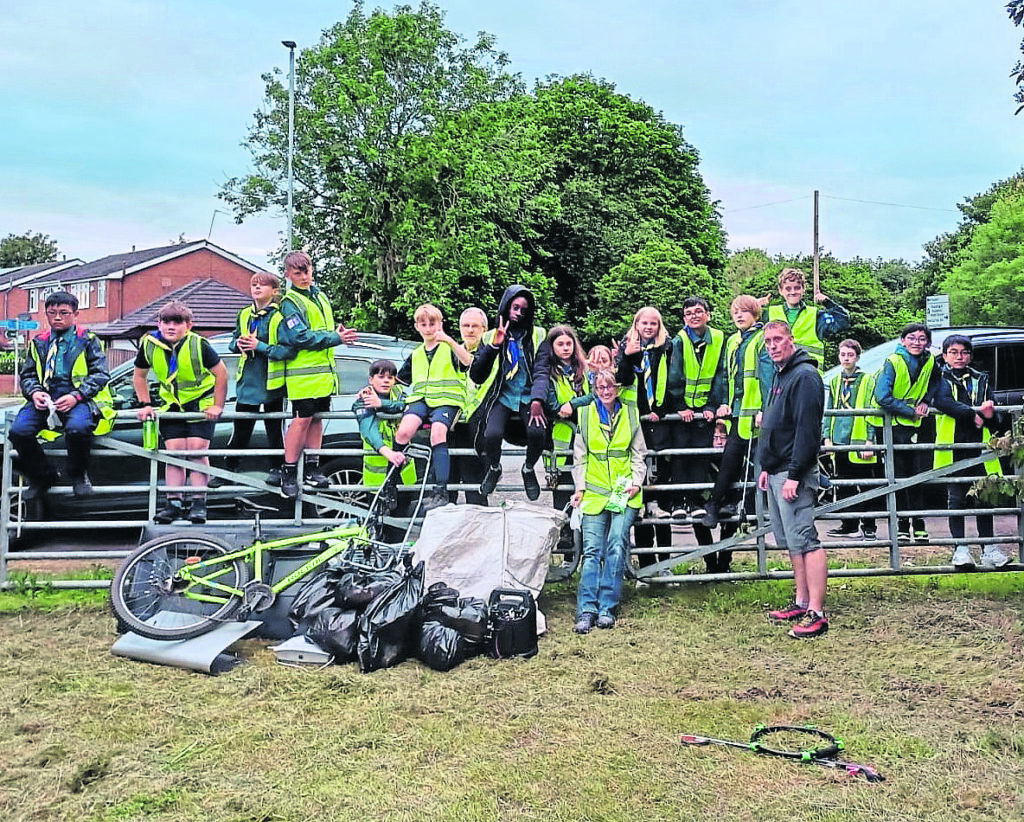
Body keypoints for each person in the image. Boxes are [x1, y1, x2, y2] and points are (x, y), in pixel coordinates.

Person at [758, 321, 828, 639]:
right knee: (792, 543)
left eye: (778, 339)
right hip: (777, 469)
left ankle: (817, 611)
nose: (773, 345)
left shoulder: (805, 376)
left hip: (792, 472)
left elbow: (807, 430)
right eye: (768, 341)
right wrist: (766, 466)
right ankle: (801, 601)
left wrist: (795, 475)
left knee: (806, 540)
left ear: (791, 340)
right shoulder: (782, 373)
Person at [8, 290, 114, 498]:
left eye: (64, 313)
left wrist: (77, 395)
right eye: (52, 313)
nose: (57, 317)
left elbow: (101, 374)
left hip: (79, 398)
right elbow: (28, 374)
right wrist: (35, 392)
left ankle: (78, 475)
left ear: (75, 314)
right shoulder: (38, 342)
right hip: (45, 397)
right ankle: (42, 476)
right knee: (19, 431)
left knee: (78, 429)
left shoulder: (88, 340)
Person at [134, 301, 228, 524]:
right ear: (159, 324)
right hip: (172, 405)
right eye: (166, 322)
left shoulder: (199, 345)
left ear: (189, 325)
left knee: (196, 450)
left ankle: (198, 502)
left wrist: (218, 405)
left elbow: (221, 374)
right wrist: (145, 404)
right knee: (174, 452)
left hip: (199, 403)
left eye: (177, 322)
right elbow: (139, 376)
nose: (170, 327)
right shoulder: (149, 344)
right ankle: (173, 503)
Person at [276, 251, 358, 499]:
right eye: (298, 272)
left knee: (316, 420)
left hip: (323, 375)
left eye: (307, 270)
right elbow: (299, 337)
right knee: (301, 421)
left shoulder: (320, 296)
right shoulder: (290, 302)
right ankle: (288, 471)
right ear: (288, 274)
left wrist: (336, 331)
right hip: (303, 378)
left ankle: (313, 468)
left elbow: (319, 329)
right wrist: (335, 338)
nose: (304, 276)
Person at [571, 369, 648, 634]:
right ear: (594, 389)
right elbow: (579, 457)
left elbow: (639, 454)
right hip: (594, 494)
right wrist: (579, 488)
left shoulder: (630, 412)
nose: (605, 392)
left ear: (617, 388)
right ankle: (586, 609)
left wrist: (637, 482)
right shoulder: (585, 415)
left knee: (616, 544)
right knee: (592, 551)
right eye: (600, 387)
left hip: (624, 492)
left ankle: (607, 607)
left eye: (610, 387)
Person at [931, 335, 1011, 569]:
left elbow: (994, 415)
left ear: (970, 356)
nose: (959, 357)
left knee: (983, 498)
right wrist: (973, 414)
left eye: (964, 352)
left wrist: (987, 416)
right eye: (953, 352)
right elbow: (942, 401)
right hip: (953, 448)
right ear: (945, 355)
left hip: (980, 448)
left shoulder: (981, 379)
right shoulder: (939, 377)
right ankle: (961, 549)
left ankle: (988, 548)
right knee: (956, 500)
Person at [701, 296, 774, 540]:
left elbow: (766, 376)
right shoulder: (733, 341)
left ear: (755, 314)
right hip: (736, 412)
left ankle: (752, 511)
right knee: (730, 461)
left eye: (744, 311)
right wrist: (723, 402)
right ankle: (716, 503)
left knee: (756, 465)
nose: (739, 316)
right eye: (735, 312)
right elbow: (725, 376)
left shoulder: (761, 339)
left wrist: (765, 408)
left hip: (754, 413)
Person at [389, 304, 473, 511]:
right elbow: (397, 381)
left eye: (432, 323)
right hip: (420, 400)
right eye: (423, 324)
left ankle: (440, 489)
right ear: (417, 326)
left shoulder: (449, 348)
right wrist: (371, 391)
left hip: (446, 401)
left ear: (440, 324)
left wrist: (450, 340)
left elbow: (467, 361)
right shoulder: (416, 354)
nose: (428, 328)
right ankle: (390, 481)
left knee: (438, 433)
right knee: (403, 432)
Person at [470, 285, 549, 500]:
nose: (518, 313)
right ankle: (495, 468)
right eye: (515, 307)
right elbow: (476, 375)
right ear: (506, 307)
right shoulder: (488, 337)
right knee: (491, 434)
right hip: (501, 395)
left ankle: (529, 468)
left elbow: (542, 370)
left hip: (527, 394)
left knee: (537, 431)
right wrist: (494, 346)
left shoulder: (539, 335)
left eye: (524, 309)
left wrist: (537, 399)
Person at [217, 271, 295, 486]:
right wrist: (238, 345)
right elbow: (233, 340)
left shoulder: (279, 317)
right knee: (241, 428)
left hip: (272, 383)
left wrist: (259, 346)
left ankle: (277, 468)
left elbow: (288, 350)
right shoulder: (244, 314)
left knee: (274, 430)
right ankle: (229, 469)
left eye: (262, 285)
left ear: (275, 291)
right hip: (248, 382)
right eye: (254, 285)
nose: (257, 288)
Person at [615, 306, 673, 569]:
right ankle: (646, 564)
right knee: (638, 496)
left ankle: (666, 562)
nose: (648, 327)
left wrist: (662, 409)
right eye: (644, 323)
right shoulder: (627, 347)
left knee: (660, 501)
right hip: (635, 421)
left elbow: (672, 381)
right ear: (636, 324)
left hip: (659, 419)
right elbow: (621, 380)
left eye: (653, 324)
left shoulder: (668, 348)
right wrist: (627, 356)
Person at [869, 323, 939, 543]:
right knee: (897, 477)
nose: (916, 342)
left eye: (921, 338)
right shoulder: (893, 361)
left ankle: (918, 526)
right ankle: (900, 526)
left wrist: (927, 401)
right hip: (891, 426)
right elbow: (882, 396)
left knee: (916, 476)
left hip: (913, 427)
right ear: (902, 341)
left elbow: (936, 382)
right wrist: (910, 411)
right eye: (911, 338)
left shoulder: (930, 361)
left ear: (927, 342)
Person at [666, 296, 727, 520]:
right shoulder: (678, 341)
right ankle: (679, 501)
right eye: (689, 313)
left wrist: (713, 404)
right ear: (684, 318)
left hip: (705, 409)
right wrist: (681, 406)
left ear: (708, 315)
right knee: (681, 455)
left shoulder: (720, 338)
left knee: (701, 455)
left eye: (699, 311)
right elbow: (674, 375)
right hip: (684, 410)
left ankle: (696, 500)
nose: (694, 316)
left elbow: (722, 374)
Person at [822, 339, 878, 540]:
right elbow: (829, 409)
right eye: (843, 354)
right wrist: (827, 437)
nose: (846, 358)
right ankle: (849, 523)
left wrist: (870, 440)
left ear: (857, 357)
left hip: (859, 438)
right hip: (839, 438)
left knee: (865, 484)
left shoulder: (867, 379)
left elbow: (872, 411)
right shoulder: (836, 380)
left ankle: (869, 525)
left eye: (850, 355)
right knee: (844, 484)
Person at [352, 359, 418, 523]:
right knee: (377, 523)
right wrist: (386, 451)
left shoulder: (400, 394)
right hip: (378, 474)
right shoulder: (363, 399)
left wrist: (382, 404)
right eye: (381, 377)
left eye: (390, 377)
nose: (386, 381)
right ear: (371, 379)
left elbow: (407, 405)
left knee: (401, 523)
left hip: (403, 473)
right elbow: (369, 429)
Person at [539, 325, 591, 511]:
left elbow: (596, 396)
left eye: (569, 343)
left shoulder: (584, 370)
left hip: (586, 436)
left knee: (587, 488)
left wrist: (573, 405)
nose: (565, 347)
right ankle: (565, 536)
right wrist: (570, 407)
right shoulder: (547, 372)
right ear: (552, 346)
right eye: (560, 344)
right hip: (560, 440)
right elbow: (552, 406)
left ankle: (585, 536)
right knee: (563, 491)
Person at [760, 267, 850, 370]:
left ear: (804, 289)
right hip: (778, 378)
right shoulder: (769, 314)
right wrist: (755, 305)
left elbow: (844, 322)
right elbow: (744, 322)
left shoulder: (816, 316)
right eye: (788, 288)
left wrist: (827, 302)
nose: (793, 292)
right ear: (780, 291)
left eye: (797, 288)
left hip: (808, 377)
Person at [447, 307, 489, 505]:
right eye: (466, 325)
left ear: (484, 329)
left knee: (475, 485)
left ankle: (480, 531)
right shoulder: (448, 353)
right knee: (447, 483)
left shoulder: (491, 355)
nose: (470, 330)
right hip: (448, 424)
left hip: (474, 426)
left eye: (475, 326)